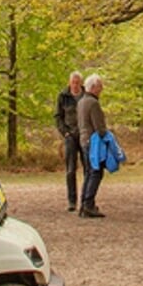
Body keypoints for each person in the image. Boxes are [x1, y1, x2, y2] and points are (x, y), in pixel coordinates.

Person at [75, 73, 110, 218]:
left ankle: (84, 204)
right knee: (96, 172)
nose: (101, 89)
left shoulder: (81, 102)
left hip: (84, 140)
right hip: (93, 142)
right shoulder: (93, 103)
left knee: (89, 172)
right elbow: (99, 127)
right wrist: (108, 137)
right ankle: (88, 204)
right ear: (94, 87)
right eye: (100, 86)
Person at [55, 71, 84, 212]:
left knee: (89, 169)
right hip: (70, 136)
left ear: (81, 83)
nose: (75, 85)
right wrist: (65, 132)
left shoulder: (87, 96)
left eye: (78, 82)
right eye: (73, 82)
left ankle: (86, 200)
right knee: (71, 170)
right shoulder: (63, 96)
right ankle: (72, 201)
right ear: (69, 82)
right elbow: (58, 117)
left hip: (85, 136)